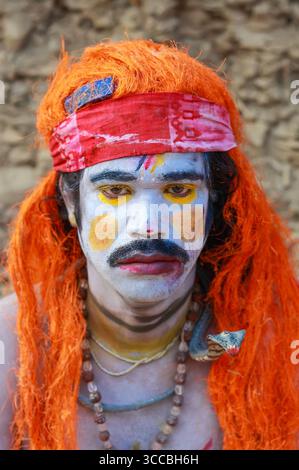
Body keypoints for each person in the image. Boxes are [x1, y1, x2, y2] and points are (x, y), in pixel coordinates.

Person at [0, 39, 298, 450]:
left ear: (215, 201)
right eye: (116, 191)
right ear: (72, 203)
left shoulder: (276, 344)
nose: (148, 228)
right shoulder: (9, 349)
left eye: (177, 189)